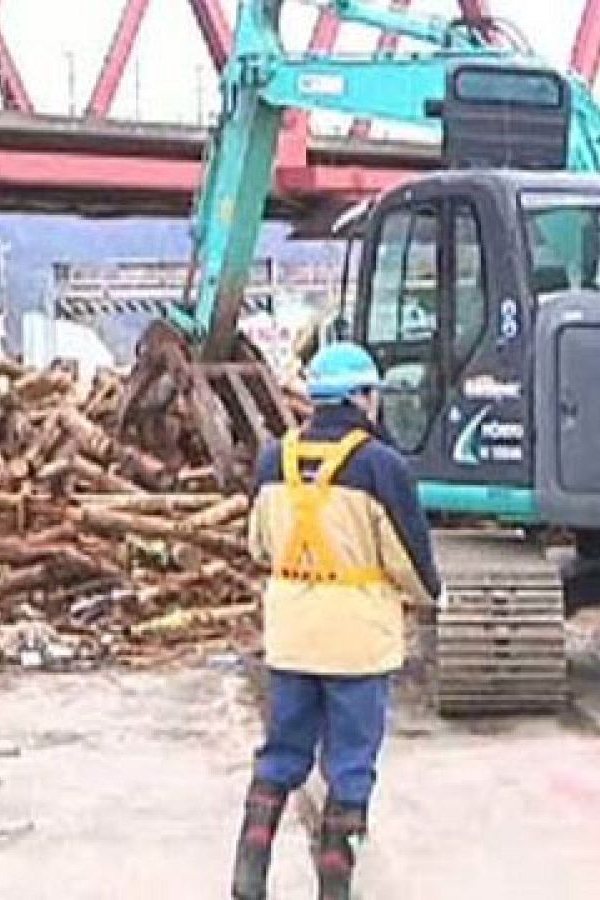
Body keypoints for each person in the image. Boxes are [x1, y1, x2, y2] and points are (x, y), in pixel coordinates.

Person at [230, 342, 442, 900]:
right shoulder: (380, 466)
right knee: (350, 764)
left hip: (292, 635)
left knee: (282, 752)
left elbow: (258, 546)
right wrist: (430, 597)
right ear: (363, 397)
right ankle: (335, 885)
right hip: (357, 642)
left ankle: (249, 870)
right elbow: (409, 560)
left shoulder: (273, 459)